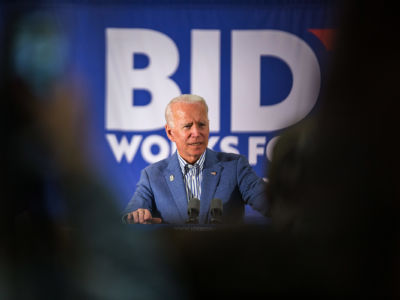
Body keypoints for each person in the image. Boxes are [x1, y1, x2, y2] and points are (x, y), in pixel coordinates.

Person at [123, 94, 268, 224]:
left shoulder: (235, 167)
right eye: (187, 126)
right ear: (170, 132)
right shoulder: (152, 176)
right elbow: (132, 214)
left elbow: (270, 203)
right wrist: (137, 216)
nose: (196, 133)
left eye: (202, 124)